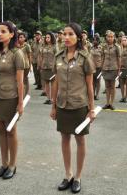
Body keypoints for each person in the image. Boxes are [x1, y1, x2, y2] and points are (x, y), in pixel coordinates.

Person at [50, 22, 96, 194]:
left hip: (79, 105)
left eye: (71, 34)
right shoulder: (58, 56)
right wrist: (53, 105)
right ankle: (68, 174)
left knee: (80, 140)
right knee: (64, 139)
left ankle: (78, 176)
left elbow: (90, 86)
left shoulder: (85, 57)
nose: (66, 37)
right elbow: (56, 82)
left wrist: (91, 110)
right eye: (64, 34)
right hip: (62, 104)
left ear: (78, 37)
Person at [0, 21, 25, 180]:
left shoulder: (17, 53)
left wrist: (20, 103)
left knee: (11, 131)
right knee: (0, 131)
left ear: (12, 34)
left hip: (10, 97)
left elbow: (20, 81)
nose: (0, 34)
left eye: (4, 31)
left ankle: (12, 165)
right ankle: (3, 163)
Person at [101, 30, 120, 110]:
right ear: (106, 37)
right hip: (105, 68)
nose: (110, 38)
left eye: (111, 37)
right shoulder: (104, 46)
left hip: (113, 68)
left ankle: (111, 103)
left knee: (112, 86)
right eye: (108, 36)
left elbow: (119, 58)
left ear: (114, 37)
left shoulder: (117, 47)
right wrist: (102, 68)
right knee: (107, 86)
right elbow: (102, 57)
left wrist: (119, 70)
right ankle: (107, 103)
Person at [39, 32, 56, 104]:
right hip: (44, 67)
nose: (47, 39)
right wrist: (40, 65)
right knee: (46, 83)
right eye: (46, 37)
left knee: (52, 83)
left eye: (48, 37)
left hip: (52, 67)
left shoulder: (55, 46)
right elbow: (41, 56)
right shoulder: (43, 47)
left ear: (52, 38)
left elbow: (57, 57)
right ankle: (48, 98)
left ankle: (52, 99)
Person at [90, 35, 102, 100]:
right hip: (92, 67)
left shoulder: (101, 48)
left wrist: (102, 66)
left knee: (98, 81)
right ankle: (93, 94)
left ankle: (97, 95)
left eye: (95, 40)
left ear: (98, 41)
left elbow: (103, 57)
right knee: (93, 81)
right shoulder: (91, 48)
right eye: (93, 40)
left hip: (98, 67)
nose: (94, 41)